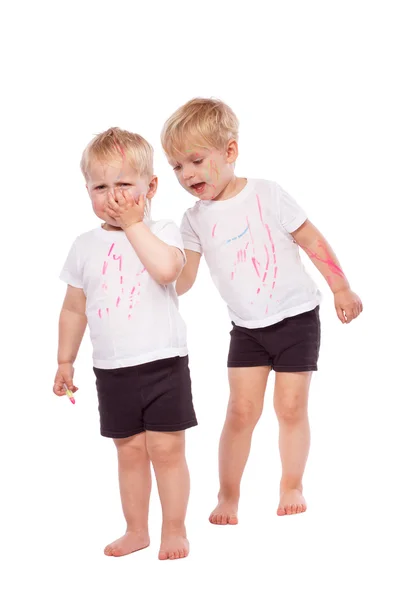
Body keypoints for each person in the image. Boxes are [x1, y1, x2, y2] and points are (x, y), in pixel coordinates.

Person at [161, 98, 363, 523]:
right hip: (248, 329)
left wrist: (341, 287)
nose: (187, 174)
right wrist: (157, 277)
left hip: (296, 318)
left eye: (196, 160)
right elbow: (185, 279)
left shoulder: (267, 194)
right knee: (240, 411)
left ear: (230, 152)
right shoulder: (193, 219)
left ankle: (292, 483)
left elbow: (312, 240)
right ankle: (228, 494)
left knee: (290, 407)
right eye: (177, 167)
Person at [53, 128, 197, 558]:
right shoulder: (83, 246)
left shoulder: (164, 231)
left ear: (150, 188)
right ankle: (137, 529)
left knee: (167, 450)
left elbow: (168, 271)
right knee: (130, 453)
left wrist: (135, 224)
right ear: (87, 191)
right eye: (101, 186)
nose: (112, 196)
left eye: (124, 185)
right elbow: (74, 308)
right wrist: (65, 360)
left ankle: (174, 527)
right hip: (112, 370)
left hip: (163, 364)